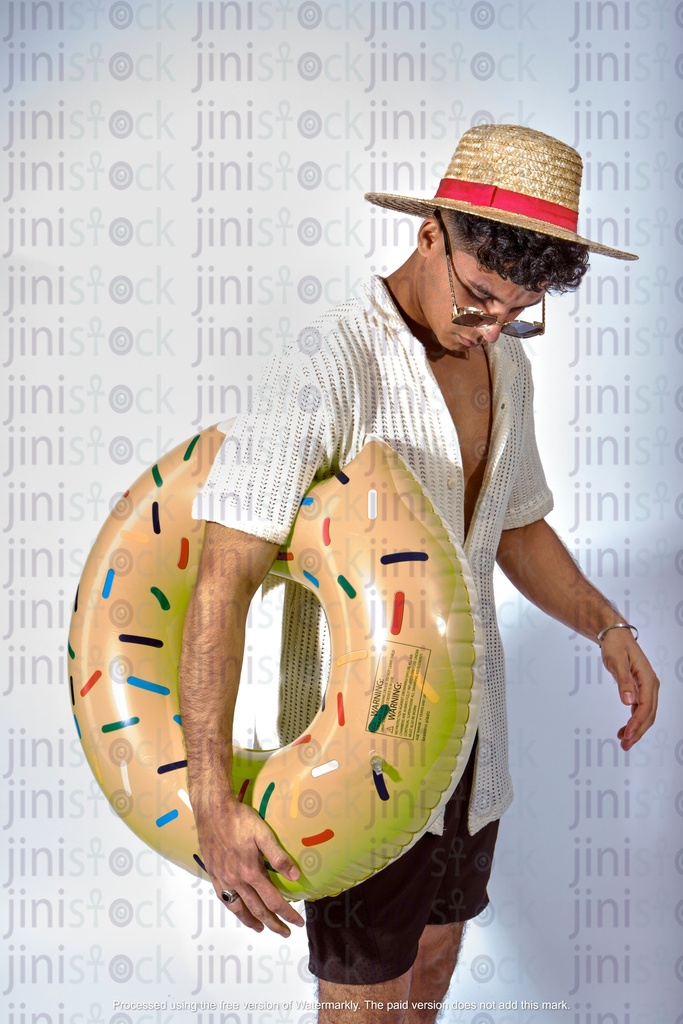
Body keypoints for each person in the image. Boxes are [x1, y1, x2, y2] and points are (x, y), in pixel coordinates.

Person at [179, 125, 659, 1024]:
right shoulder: (329, 361)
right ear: (428, 235)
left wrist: (606, 624)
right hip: (359, 749)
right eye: (479, 299)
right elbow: (222, 579)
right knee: (364, 999)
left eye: (519, 310)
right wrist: (209, 799)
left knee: (434, 960)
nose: (492, 328)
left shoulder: (503, 359)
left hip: (475, 742)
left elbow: (512, 523)